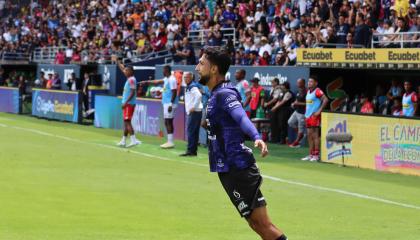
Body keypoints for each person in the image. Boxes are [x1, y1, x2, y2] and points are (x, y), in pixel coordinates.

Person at [195, 46, 287, 240]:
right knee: (256, 224)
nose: (197, 67)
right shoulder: (214, 95)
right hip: (227, 168)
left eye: (202, 63)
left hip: (238, 167)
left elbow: (241, 117)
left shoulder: (224, 93)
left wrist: (256, 137)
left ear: (214, 69)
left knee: (263, 225)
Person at [141, 65, 179, 149]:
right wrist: (146, 82)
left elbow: (174, 92)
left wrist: (170, 104)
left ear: (167, 70)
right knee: (167, 121)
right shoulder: (167, 79)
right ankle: (170, 141)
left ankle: (170, 142)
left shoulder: (172, 79)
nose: (163, 72)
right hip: (166, 103)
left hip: (169, 103)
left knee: (168, 121)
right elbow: (157, 82)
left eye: (164, 70)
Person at [114, 56, 141, 148]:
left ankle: (133, 140)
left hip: (129, 104)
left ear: (131, 71)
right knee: (126, 122)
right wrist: (117, 61)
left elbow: (133, 92)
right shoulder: (129, 78)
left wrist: (125, 102)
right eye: (125, 70)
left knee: (127, 121)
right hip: (127, 104)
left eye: (127, 70)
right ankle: (123, 140)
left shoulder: (132, 79)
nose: (125, 71)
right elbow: (122, 68)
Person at [302, 77, 328, 162]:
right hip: (308, 116)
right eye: (309, 81)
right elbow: (308, 105)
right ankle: (311, 154)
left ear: (316, 83)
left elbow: (325, 100)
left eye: (311, 81)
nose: (309, 83)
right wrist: (306, 115)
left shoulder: (317, 91)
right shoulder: (308, 92)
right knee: (309, 135)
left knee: (315, 135)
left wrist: (318, 111)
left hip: (314, 116)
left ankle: (316, 155)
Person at [180, 72, 203, 156]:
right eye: (184, 77)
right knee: (194, 132)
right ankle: (193, 151)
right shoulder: (190, 86)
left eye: (187, 77)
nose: (185, 79)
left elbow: (199, 96)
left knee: (191, 131)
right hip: (196, 112)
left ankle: (190, 151)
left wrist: (193, 106)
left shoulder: (192, 86)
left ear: (191, 78)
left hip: (194, 112)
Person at [288, 78, 306, 148]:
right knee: (290, 122)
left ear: (303, 83)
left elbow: (308, 104)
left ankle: (297, 142)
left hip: (302, 113)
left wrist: (298, 103)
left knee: (301, 127)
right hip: (297, 111)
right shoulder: (298, 91)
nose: (297, 84)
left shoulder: (306, 92)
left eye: (299, 83)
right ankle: (301, 134)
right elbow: (297, 100)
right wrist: (294, 103)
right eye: (297, 82)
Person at [264, 78, 282, 143]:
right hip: (271, 108)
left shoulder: (278, 89)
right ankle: (272, 138)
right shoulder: (273, 89)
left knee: (274, 124)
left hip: (275, 108)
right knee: (272, 124)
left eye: (273, 82)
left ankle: (275, 139)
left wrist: (267, 104)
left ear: (276, 82)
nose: (272, 84)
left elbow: (275, 99)